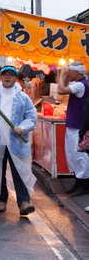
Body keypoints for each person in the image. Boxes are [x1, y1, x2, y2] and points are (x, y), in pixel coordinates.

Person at [0, 66, 37, 216]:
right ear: (1, 77)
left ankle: (24, 202)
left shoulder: (23, 97)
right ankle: (1, 200)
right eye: (5, 75)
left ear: (16, 78)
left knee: (19, 171)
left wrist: (22, 127)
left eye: (11, 75)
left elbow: (31, 117)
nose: (8, 77)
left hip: (16, 142)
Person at [57, 62, 89, 196]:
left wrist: (61, 73)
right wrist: (66, 75)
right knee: (72, 155)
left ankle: (85, 184)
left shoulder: (81, 84)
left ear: (76, 72)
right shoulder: (79, 83)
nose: (67, 72)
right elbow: (64, 87)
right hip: (73, 124)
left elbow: (60, 90)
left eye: (70, 71)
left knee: (80, 156)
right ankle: (78, 182)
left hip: (78, 126)